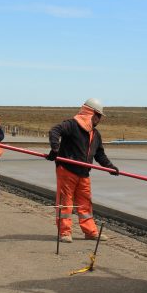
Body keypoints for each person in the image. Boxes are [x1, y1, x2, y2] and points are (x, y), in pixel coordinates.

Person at [46, 98, 118, 243]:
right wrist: (55, 147)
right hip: (67, 170)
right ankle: (64, 233)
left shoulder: (95, 134)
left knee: (85, 203)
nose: (99, 119)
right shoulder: (72, 125)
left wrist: (110, 166)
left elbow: (99, 154)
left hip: (84, 173)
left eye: (100, 116)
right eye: (98, 115)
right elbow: (54, 131)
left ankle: (90, 232)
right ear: (89, 113)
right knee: (65, 202)